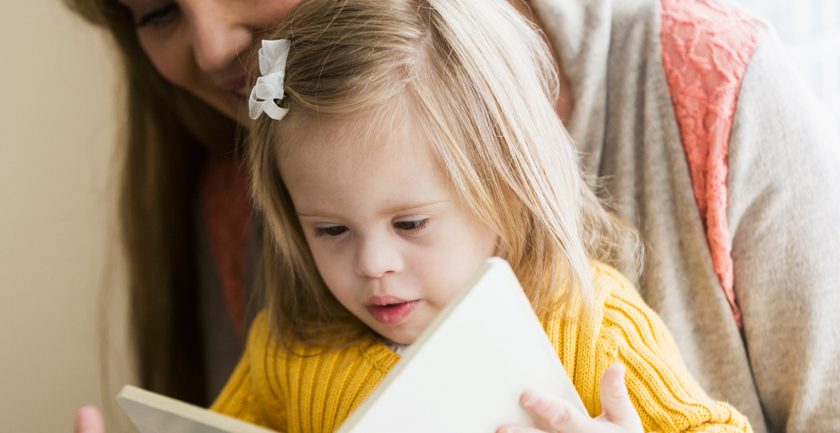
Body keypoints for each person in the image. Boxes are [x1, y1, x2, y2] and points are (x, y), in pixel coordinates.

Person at [68, 0, 840, 432]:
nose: (208, 49)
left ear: (507, 189)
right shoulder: (290, 340)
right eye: (330, 230)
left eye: (410, 224)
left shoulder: (592, 325)